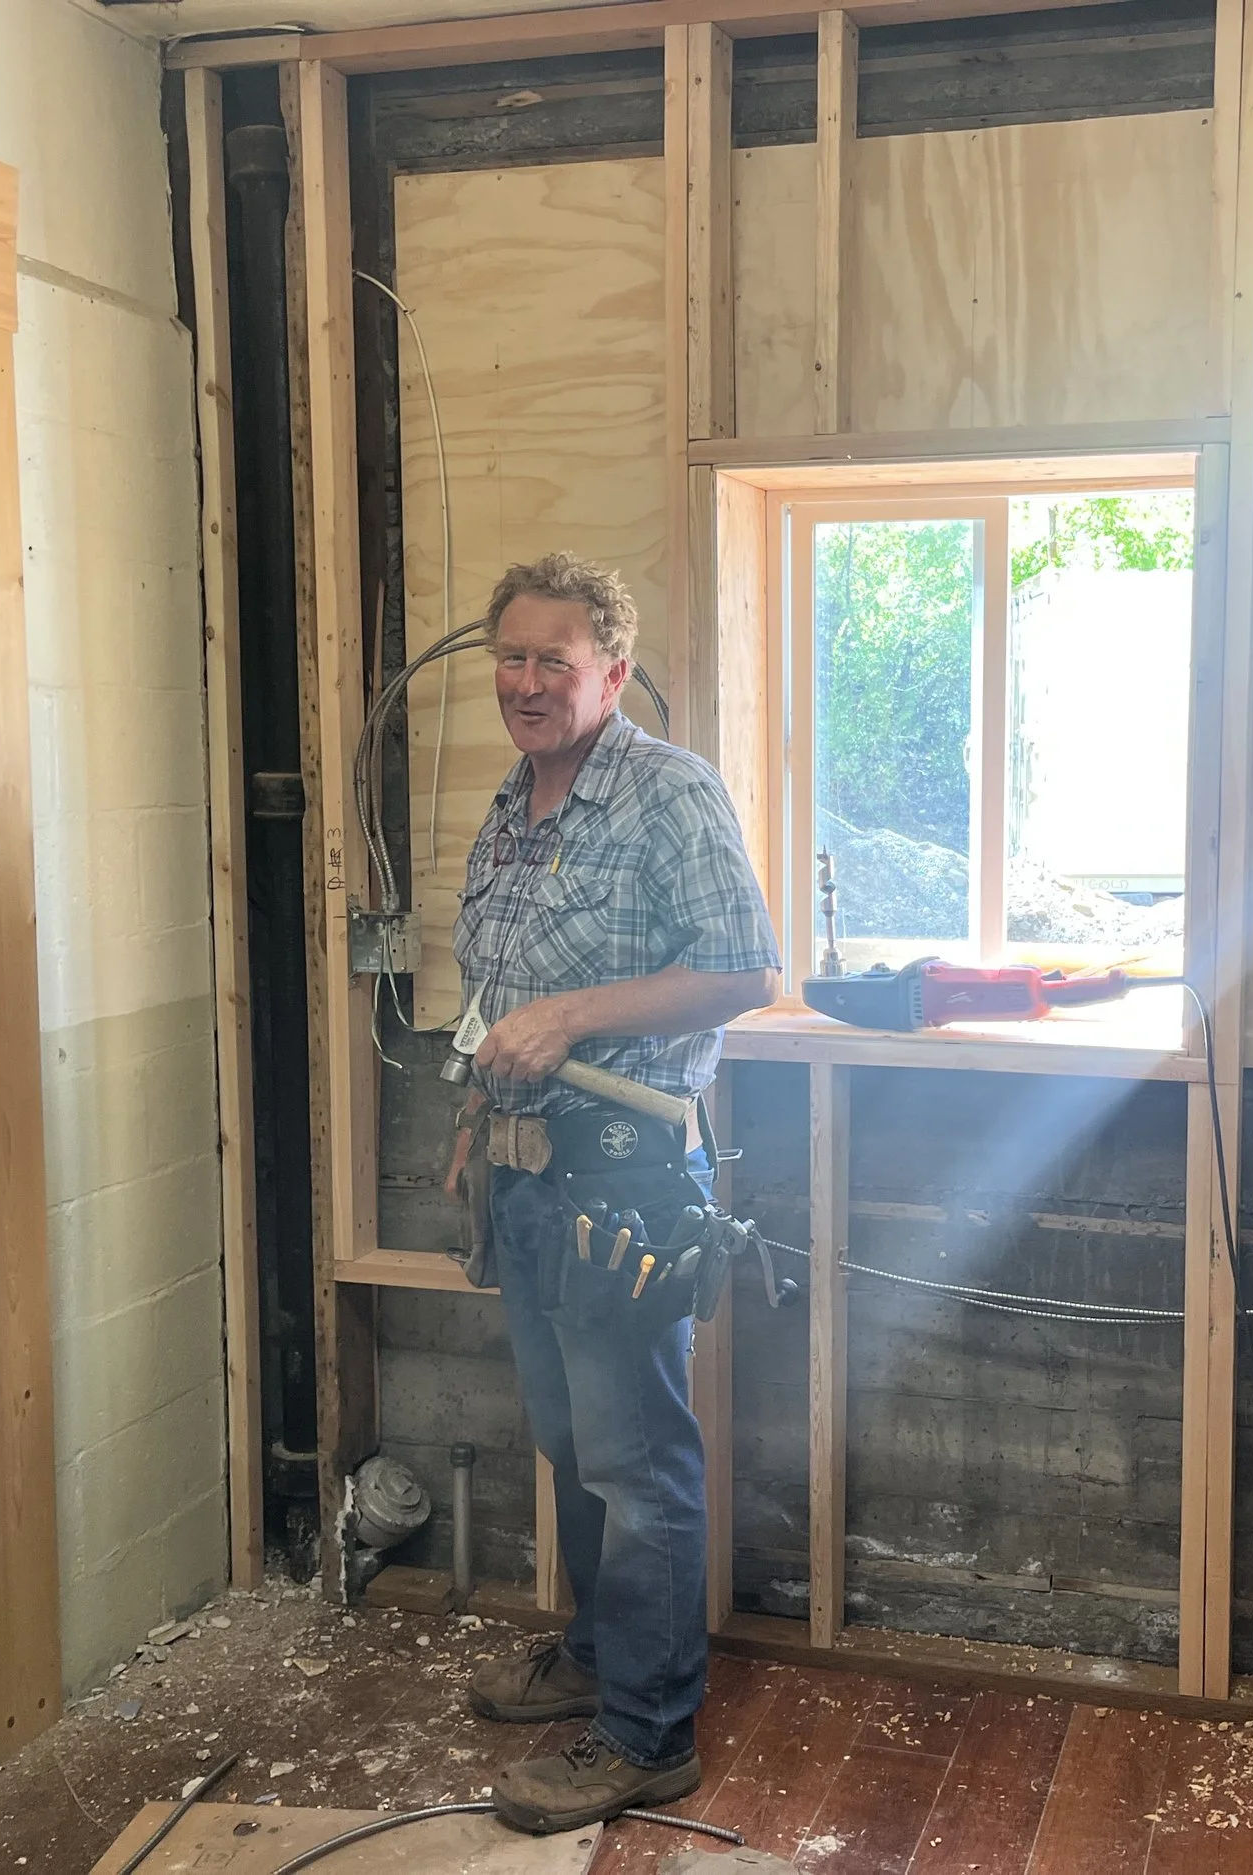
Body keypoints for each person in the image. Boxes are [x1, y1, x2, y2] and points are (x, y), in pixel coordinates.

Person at [454, 552, 780, 1835]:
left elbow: (745, 970)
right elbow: (500, 989)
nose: (527, 682)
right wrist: (478, 1122)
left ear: (613, 673)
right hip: (527, 1178)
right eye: (511, 657)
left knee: (638, 1466)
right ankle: (598, 1655)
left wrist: (573, 1015)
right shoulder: (514, 799)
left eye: (556, 660)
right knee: (572, 1445)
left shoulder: (667, 791)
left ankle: (647, 1733)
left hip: (626, 1181)